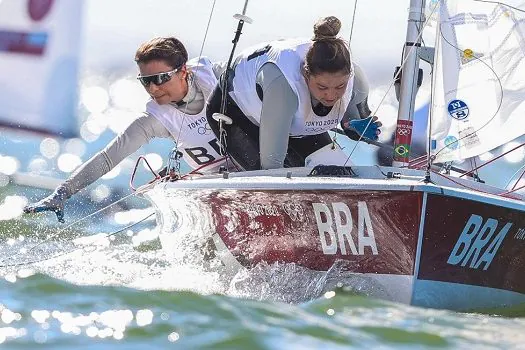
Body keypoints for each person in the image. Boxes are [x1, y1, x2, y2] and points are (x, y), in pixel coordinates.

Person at [24, 37, 226, 223]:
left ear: (183, 72)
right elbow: (107, 159)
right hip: (225, 190)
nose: (153, 89)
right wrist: (61, 193)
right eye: (146, 81)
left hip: (256, 175)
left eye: (160, 78)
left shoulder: (218, 76)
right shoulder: (155, 119)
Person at [206, 16, 381, 171]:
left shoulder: (356, 79)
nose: (330, 95)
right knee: (272, 174)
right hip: (235, 109)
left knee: (341, 174)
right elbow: (271, 166)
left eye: (339, 87)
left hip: (291, 120)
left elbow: (353, 126)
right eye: (322, 87)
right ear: (306, 75)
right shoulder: (284, 88)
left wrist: (356, 127)